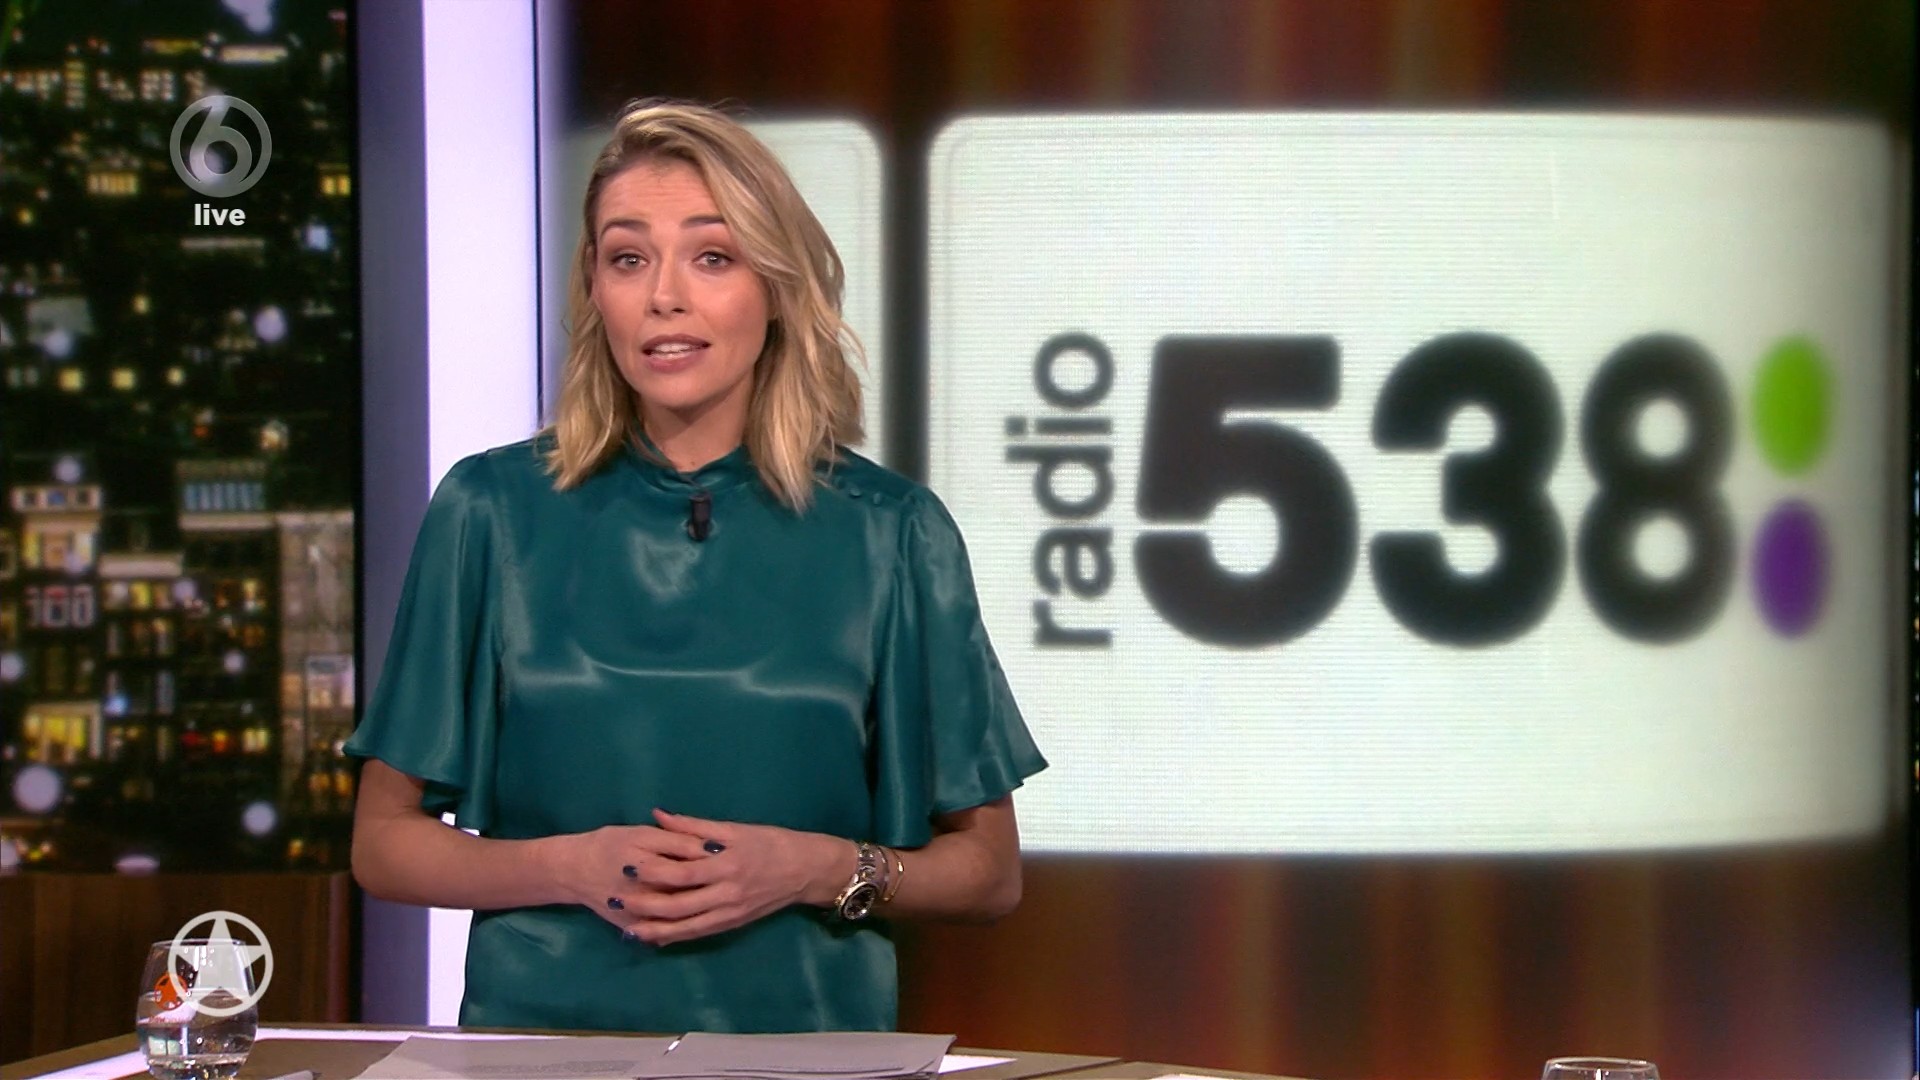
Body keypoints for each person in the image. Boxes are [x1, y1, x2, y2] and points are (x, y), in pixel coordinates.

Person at [345, 98, 1047, 1035]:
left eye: (712, 257)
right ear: (594, 288)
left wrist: (811, 868)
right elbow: (384, 843)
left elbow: (989, 873)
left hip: (803, 1051)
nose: (664, 297)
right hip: (541, 1050)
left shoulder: (892, 532)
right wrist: (567, 867)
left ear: (777, 285)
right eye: (628, 258)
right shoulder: (490, 510)